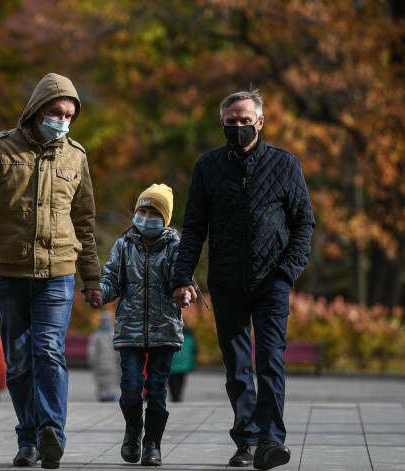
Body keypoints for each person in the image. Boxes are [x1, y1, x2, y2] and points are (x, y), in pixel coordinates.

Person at [0, 73, 102, 469]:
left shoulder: (76, 155)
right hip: (8, 275)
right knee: (19, 361)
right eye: (56, 112)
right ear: (37, 110)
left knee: (49, 352)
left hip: (58, 275)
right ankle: (28, 438)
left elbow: (84, 222)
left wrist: (91, 278)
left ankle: (51, 431)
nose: (63, 121)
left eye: (70, 116)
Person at [171, 89, 315, 470]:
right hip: (227, 282)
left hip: (272, 282)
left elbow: (304, 224)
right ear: (222, 123)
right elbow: (194, 227)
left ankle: (270, 441)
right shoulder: (207, 167)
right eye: (231, 121)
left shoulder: (286, 165)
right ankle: (246, 440)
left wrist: (287, 273)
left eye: (245, 120)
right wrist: (182, 274)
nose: (238, 126)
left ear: (260, 122)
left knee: (270, 361)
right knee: (237, 367)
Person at [95, 183, 183, 467]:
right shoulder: (124, 245)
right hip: (130, 330)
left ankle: (152, 444)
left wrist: (185, 290)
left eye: (153, 212)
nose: (146, 217)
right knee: (131, 385)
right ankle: (133, 431)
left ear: (164, 218)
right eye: (142, 211)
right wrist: (99, 292)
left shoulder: (175, 247)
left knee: (157, 388)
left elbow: (182, 279)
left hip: (165, 330)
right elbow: (112, 280)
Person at [87, 311, 121, 402]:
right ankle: (110, 398)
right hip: (112, 365)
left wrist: (92, 363)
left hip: (99, 365)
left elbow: (92, 352)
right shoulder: (114, 335)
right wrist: (119, 363)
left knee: (101, 383)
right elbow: (118, 351)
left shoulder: (96, 335)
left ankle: (103, 397)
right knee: (111, 383)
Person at [168, 323, 197, 402]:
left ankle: (174, 396)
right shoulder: (189, 331)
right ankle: (178, 396)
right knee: (181, 378)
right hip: (183, 360)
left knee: (171, 379)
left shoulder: (169, 329)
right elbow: (193, 349)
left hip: (172, 360)